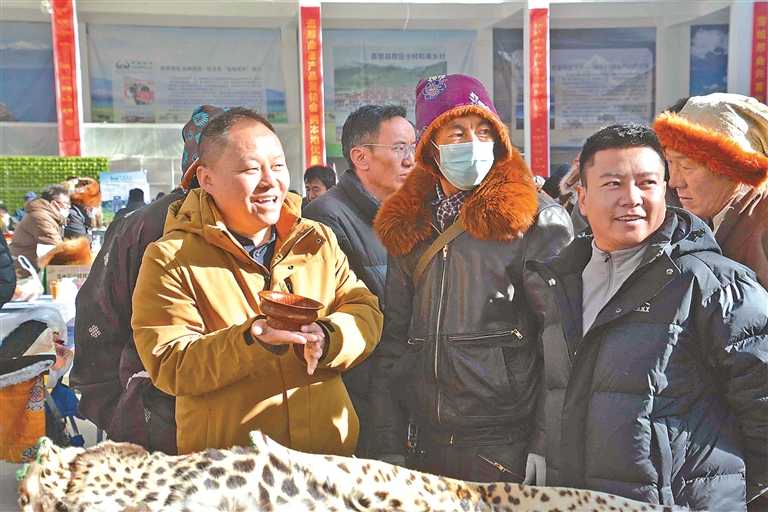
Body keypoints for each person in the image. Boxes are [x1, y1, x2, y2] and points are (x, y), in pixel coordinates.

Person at [528, 123, 768, 510]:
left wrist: (723, 492)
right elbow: (556, 388)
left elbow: (761, 404)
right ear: (582, 198)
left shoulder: (715, 285)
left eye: (647, 183)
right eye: (613, 184)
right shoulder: (561, 282)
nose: (632, 198)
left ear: (665, 191)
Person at [131, 107, 383, 456]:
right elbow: (170, 363)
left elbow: (364, 311)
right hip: (232, 467)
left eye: (278, 166)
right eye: (251, 169)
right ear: (206, 179)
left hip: (325, 459)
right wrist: (251, 340)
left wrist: (329, 337)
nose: (270, 181)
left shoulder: (316, 239)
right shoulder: (172, 258)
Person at [372, 74, 573, 481]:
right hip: (425, 441)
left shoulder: (535, 219)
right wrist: (387, 442)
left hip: (505, 442)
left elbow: (560, 342)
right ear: (430, 146)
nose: (474, 143)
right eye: (457, 133)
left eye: (484, 131)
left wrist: (545, 440)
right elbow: (394, 342)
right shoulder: (409, 223)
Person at [71, 105, 226, 454]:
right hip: (159, 398)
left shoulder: (267, 220)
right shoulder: (153, 224)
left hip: (199, 396)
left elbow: (98, 309)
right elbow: (103, 312)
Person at [303, 104, 416, 457]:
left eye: (413, 147)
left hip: (401, 391)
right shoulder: (326, 218)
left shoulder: (406, 212)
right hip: (360, 399)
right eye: (399, 148)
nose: (411, 160)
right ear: (361, 157)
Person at [654, 93, 768, 287]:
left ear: (732, 170)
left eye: (688, 166)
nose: (674, 181)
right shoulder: (687, 220)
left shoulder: (762, 226)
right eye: (670, 162)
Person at [10, 184, 69, 278]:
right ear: (54, 204)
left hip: (28, 267)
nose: (68, 207)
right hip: (23, 270)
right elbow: (56, 245)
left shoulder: (46, 216)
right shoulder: (41, 218)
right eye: (65, 203)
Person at [63, 177, 100, 242]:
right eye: (92, 205)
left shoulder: (80, 213)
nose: (94, 208)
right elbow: (81, 240)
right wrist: (89, 236)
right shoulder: (73, 214)